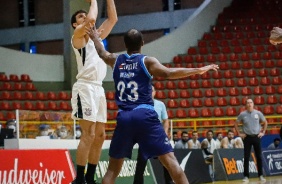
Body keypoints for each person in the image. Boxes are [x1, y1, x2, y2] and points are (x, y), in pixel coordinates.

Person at [88, 26, 219, 184]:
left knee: (112, 170)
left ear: (125, 44)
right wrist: (198, 70)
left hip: (124, 117)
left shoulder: (116, 60)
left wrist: (95, 37)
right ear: (142, 43)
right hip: (144, 115)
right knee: (171, 162)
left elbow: (102, 52)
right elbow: (168, 73)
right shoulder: (147, 61)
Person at [70, 0, 117, 183]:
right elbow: (91, 18)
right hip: (85, 86)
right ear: (76, 24)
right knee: (88, 134)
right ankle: (79, 179)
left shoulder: (97, 37)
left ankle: (90, 178)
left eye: (84, 14)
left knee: (100, 136)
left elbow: (113, 19)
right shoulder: (78, 36)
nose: (86, 18)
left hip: (98, 88)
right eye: (80, 17)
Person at [134, 85, 173, 184]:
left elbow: (165, 120)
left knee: (167, 162)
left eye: (151, 90)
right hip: (145, 137)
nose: (149, 92)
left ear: (155, 92)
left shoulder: (160, 104)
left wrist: (164, 132)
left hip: (158, 136)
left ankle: (169, 182)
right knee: (141, 164)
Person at [234, 98, 268, 182]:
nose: (249, 104)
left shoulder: (258, 113)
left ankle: (260, 175)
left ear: (253, 104)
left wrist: (263, 132)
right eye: (248, 103)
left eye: (251, 102)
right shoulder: (242, 114)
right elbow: (236, 123)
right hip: (247, 137)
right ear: (245, 105)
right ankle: (246, 176)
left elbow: (265, 122)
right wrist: (239, 133)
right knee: (246, 157)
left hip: (256, 137)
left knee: (259, 156)